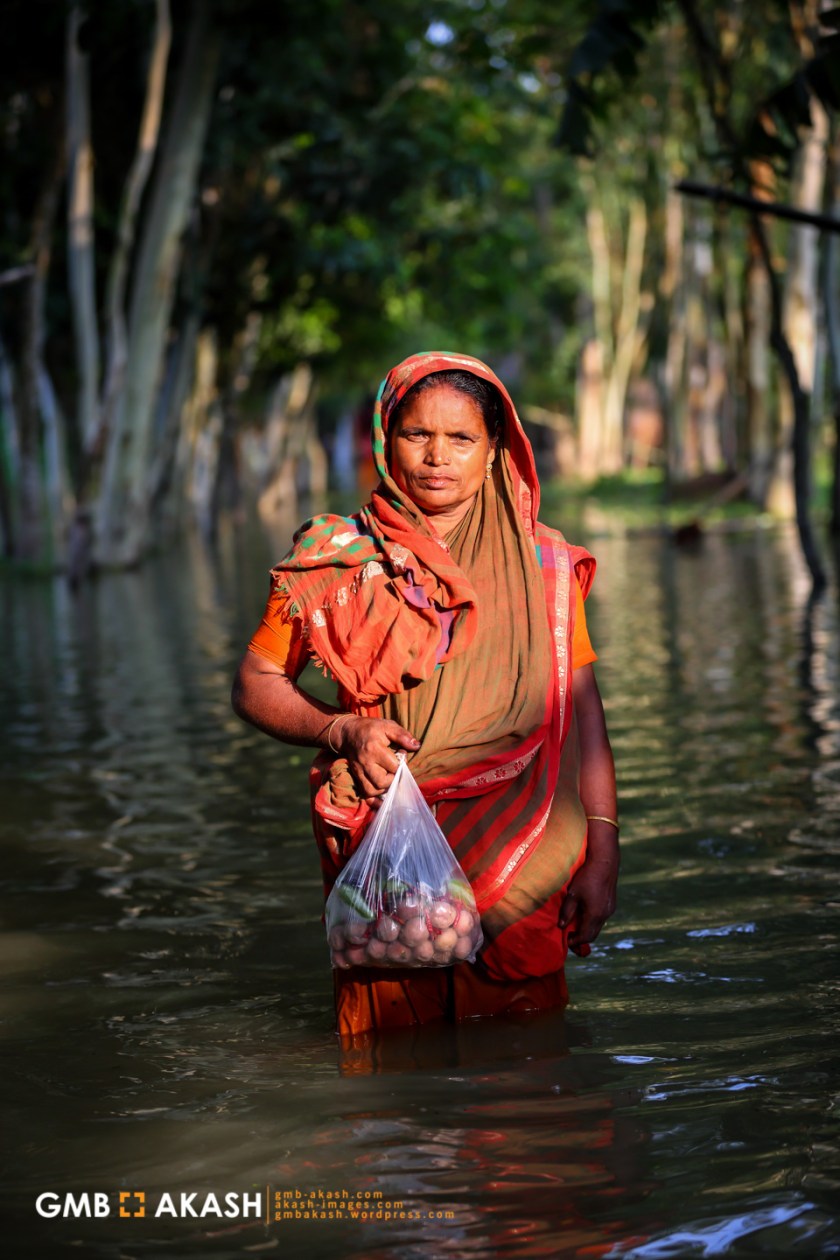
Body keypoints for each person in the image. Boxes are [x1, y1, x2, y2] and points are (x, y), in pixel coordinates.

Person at [232, 351, 618, 1038]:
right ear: (386, 438)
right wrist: (342, 731)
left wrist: (603, 848)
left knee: (526, 1082)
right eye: (417, 434)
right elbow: (256, 683)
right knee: (391, 1070)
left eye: (462, 438)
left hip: (521, 847)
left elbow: (581, 711)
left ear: (495, 449)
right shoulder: (337, 558)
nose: (437, 457)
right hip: (387, 853)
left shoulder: (545, 566)